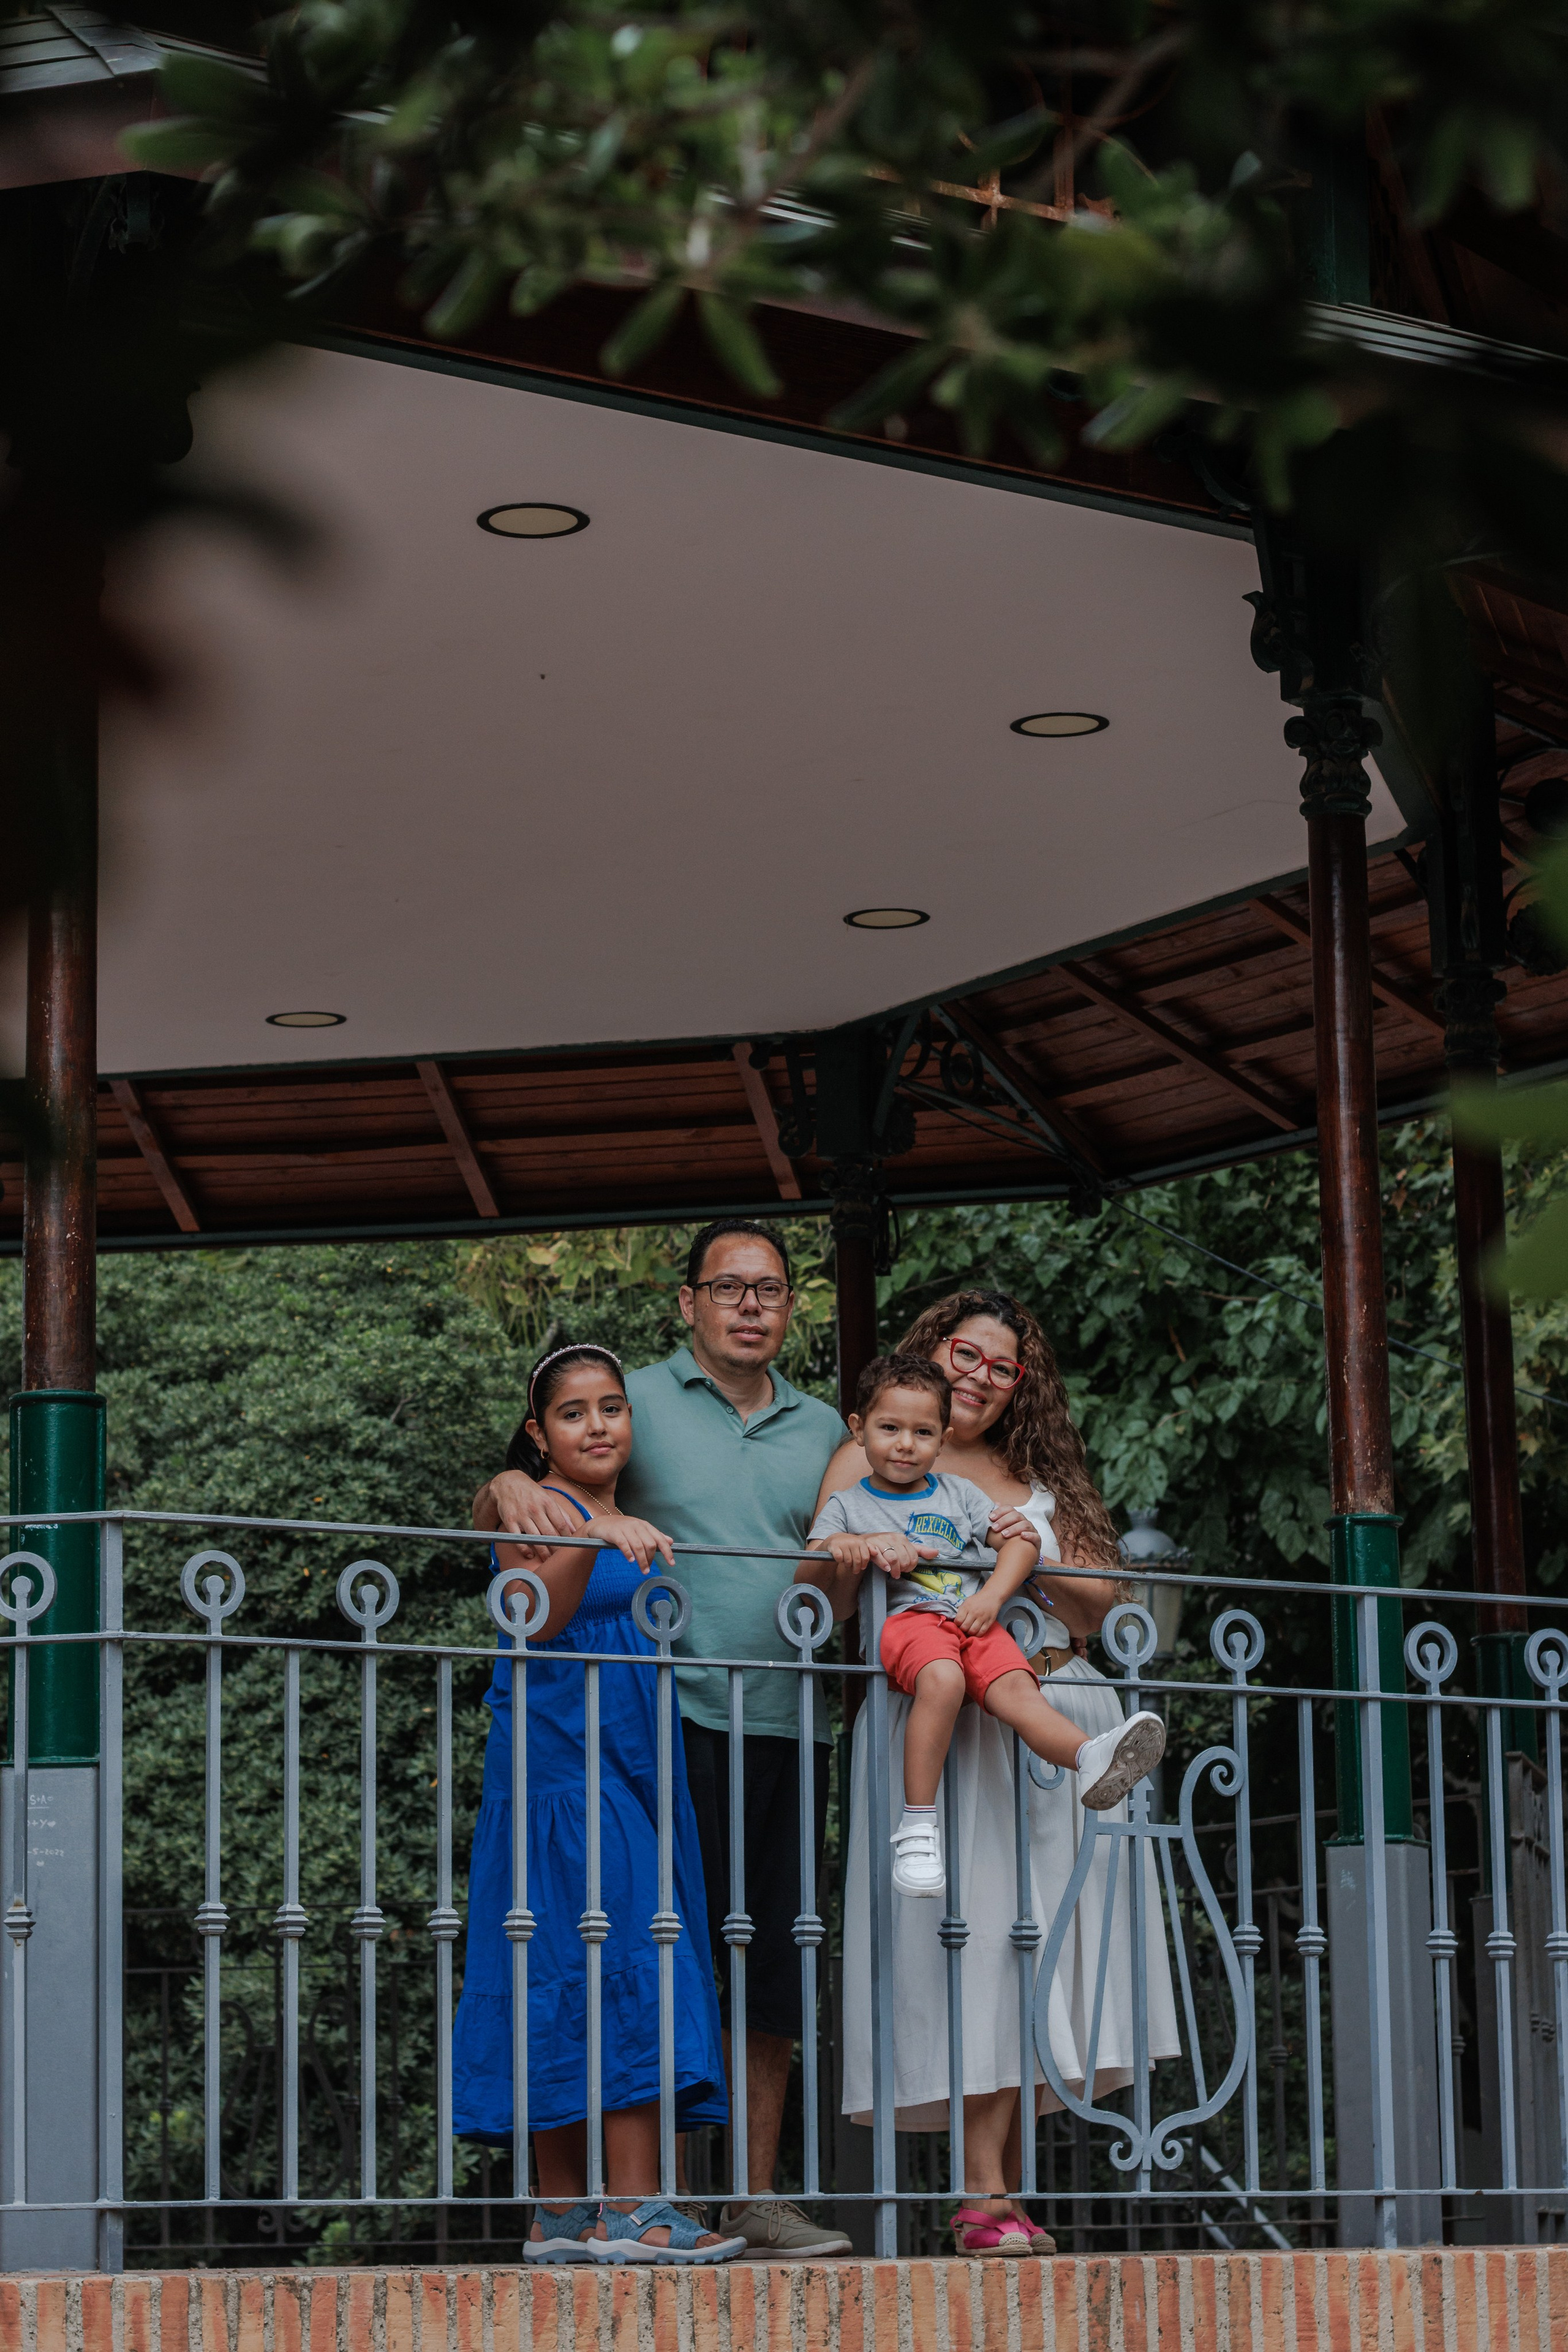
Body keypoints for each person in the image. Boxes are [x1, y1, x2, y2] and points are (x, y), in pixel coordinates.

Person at [472, 1219, 854, 2260]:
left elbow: (884, 1486)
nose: (749, 1304)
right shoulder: (634, 1398)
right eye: (728, 1286)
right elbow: (523, 1528)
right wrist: (520, 1493)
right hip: (628, 1739)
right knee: (625, 1953)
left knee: (751, 1957)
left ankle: (722, 2199)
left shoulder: (824, 1425)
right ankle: (634, 2205)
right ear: (687, 1301)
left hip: (747, 1726)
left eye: (770, 1288)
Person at [802, 1290, 1180, 2258]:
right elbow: (822, 1593)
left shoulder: (1030, 1470)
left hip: (1054, 1692)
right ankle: (981, 2195)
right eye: (961, 1354)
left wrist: (1020, 1540)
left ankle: (1000, 2193)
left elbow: (1097, 1607)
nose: (977, 1375)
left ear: (1022, 1386)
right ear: (929, 1354)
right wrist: (860, 1548)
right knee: (971, 1947)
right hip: (945, 1718)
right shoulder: (883, 1448)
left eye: (1001, 1367)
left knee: (1040, 1949)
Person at [453, 1342, 745, 2266]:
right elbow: (533, 1616)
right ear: (539, 1432)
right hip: (561, 1778)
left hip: (632, 1765)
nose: (597, 1425)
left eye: (611, 1408)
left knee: (606, 1963)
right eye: (573, 1413)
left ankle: (571, 2215)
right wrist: (575, 1528)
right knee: (607, 1967)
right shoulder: (536, 1507)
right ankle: (626, 2211)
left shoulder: (622, 1515)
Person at [805, 1353, 1164, 1898]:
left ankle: (1089, 1757)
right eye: (890, 1428)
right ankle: (918, 1828)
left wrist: (994, 1597)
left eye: (923, 1432)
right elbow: (809, 1566)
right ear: (858, 1430)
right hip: (912, 1625)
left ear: (942, 1437)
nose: (906, 1444)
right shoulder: (848, 1505)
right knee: (944, 1679)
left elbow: (1021, 1541)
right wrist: (848, 1546)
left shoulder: (961, 1496)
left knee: (1020, 1687)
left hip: (973, 1623)